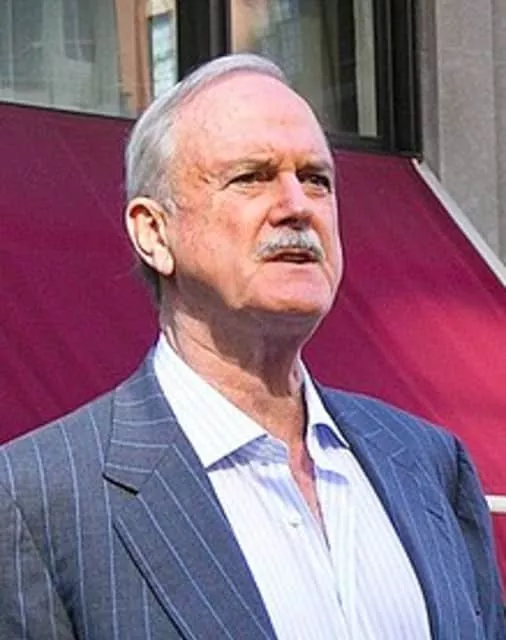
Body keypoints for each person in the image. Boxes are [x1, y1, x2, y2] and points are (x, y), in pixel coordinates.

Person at [0, 53, 503, 640]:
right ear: (154, 232)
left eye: (316, 179)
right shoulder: (41, 498)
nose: (297, 207)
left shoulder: (429, 464)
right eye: (251, 177)